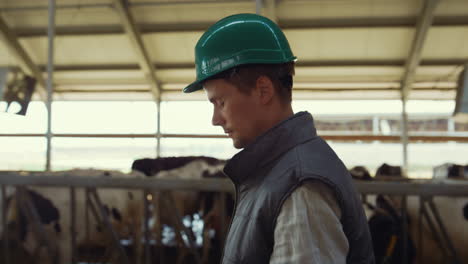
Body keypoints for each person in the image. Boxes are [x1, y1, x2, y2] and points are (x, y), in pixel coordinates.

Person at [183, 13, 374, 264]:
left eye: (220, 102)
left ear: (263, 90)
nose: (215, 119)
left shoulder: (300, 188)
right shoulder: (277, 171)